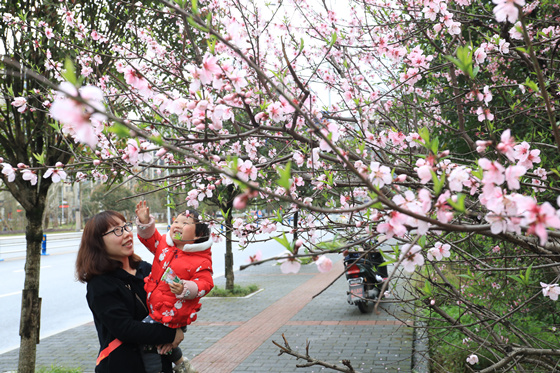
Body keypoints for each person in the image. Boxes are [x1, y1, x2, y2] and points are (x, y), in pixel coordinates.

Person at [76, 210, 184, 373]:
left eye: (126, 227)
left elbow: (175, 299)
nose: (126, 234)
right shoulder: (100, 284)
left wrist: (180, 326)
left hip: (160, 365)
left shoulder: (146, 269)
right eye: (117, 231)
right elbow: (125, 329)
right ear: (98, 243)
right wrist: (170, 334)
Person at [135, 201, 214, 373]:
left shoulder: (200, 258)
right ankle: (181, 363)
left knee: (146, 341)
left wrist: (186, 288)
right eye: (176, 221)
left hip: (173, 312)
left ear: (199, 234)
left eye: (185, 223)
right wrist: (145, 223)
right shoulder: (165, 244)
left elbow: (206, 283)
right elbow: (150, 238)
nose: (178, 225)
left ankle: (156, 369)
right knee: (163, 345)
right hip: (158, 307)